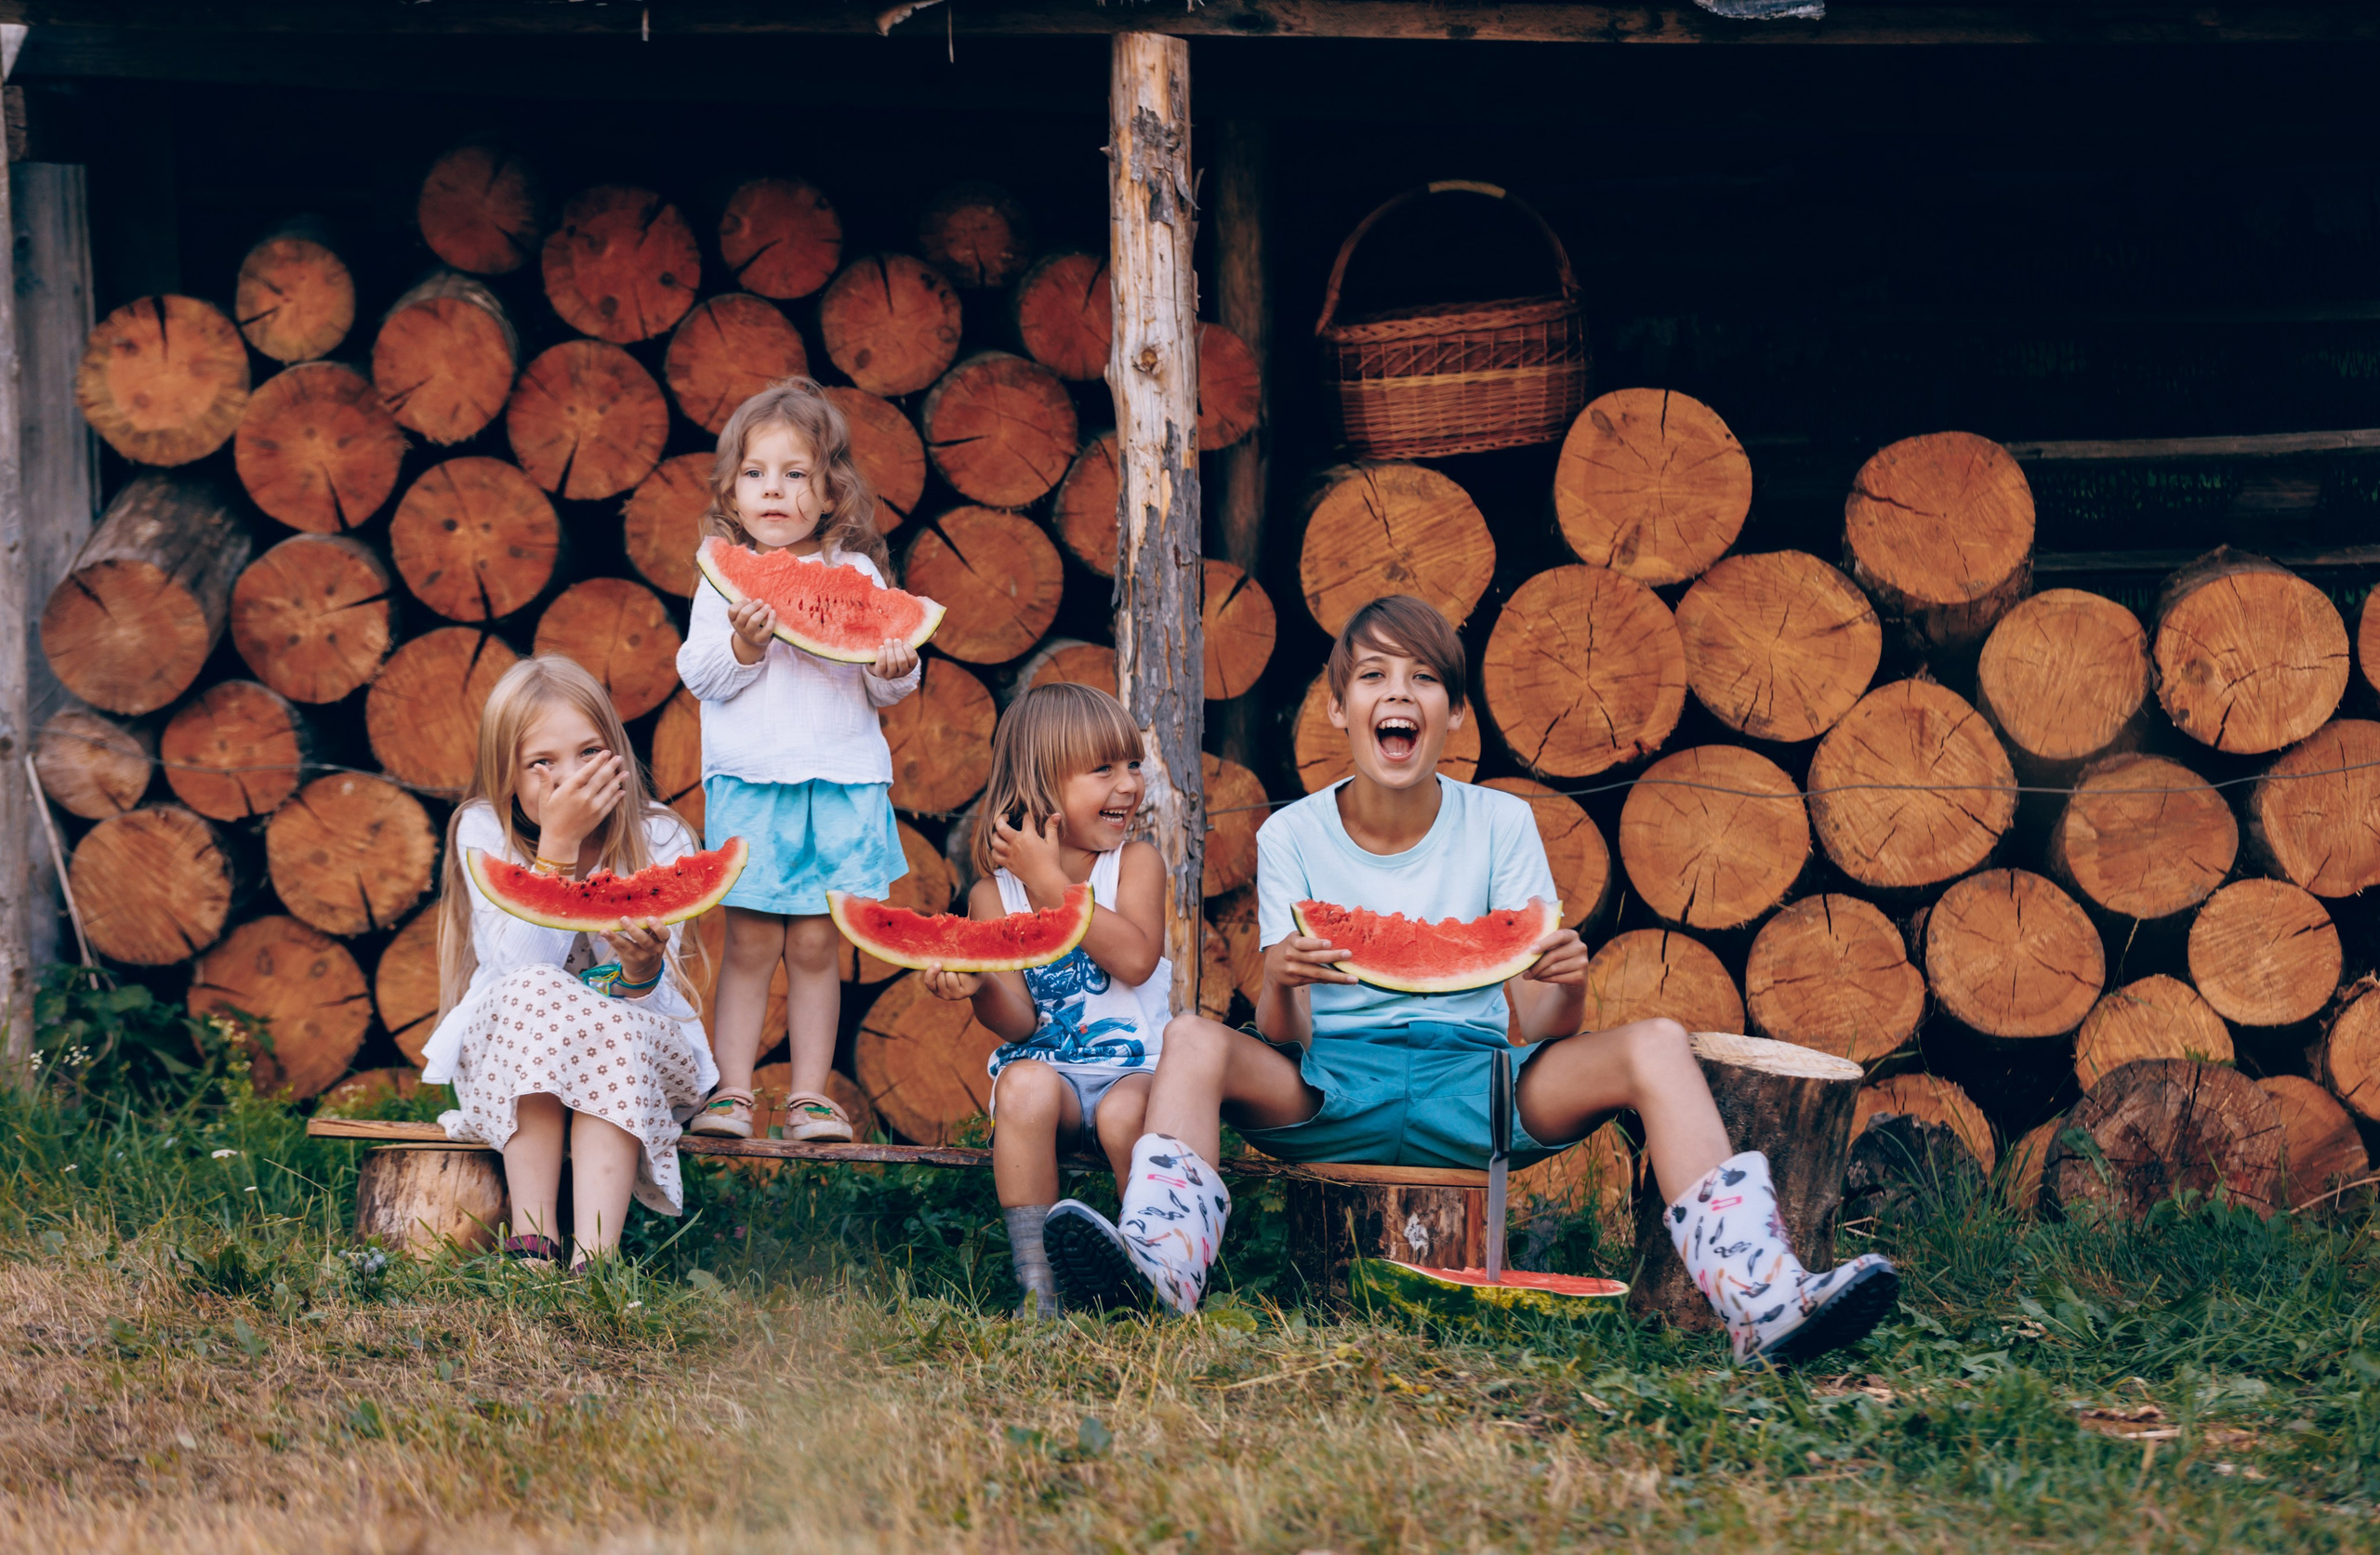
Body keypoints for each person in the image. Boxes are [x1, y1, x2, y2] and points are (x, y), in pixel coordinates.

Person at [1045, 596, 1899, 1365]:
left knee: (1657, 1043)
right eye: (1374, 675)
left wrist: (1565, 979)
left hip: (1481, 1091)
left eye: (1425, 678)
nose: (1399, 693)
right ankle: (1159, 1273)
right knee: (1193, 1037)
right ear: (1338, 707)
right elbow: (1284, 1037)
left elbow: (1535, 1019)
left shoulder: (1503, 822)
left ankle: (1765, 1301)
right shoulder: (1291, 835)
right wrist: (1280, 981)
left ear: (1454, 712)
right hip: (1331, 1088)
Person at [676, 378, 921, 1144]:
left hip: (843, 781)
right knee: (749, 939)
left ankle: (811, 1094)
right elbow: (701, 675)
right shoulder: (721, 578)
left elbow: (894, 680)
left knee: (818, 942)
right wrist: (746, 643)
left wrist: (891, 666)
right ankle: (733, 1090)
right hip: (750, 780)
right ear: (732, 491)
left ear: (829, 491)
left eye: (795, 474)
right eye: (755, 473)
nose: (773, 489)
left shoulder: (860, 578)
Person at [420, 655, 716, 1270]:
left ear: (617, 753)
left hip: (640, 1051)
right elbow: (515, 968)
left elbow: (651, 1000)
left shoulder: (662, 839)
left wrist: (640, 973)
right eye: (542, 763)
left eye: (588, 753)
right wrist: (554, 851)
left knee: (608, 1021)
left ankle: (595, 1262)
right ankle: (534, 1240)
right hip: (510, 1054)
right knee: (534, 991)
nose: (570, 778)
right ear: (506, 775)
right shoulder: (484, 829)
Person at [919, 684, 1169, 1318]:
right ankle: (1041, 1286)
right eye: (1103, 769)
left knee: (1125, 1117)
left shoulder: (1135, 865)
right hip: (1050, 1082)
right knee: (1023, 1086)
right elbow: (1020, 1019)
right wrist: (978, 986)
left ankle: (1147, 1272)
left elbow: (1136, 957)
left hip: (1133, 1071)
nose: (1128, 785)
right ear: (1043, 787)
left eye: (1133, 765)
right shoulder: (992, 896)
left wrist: (1054, 885)